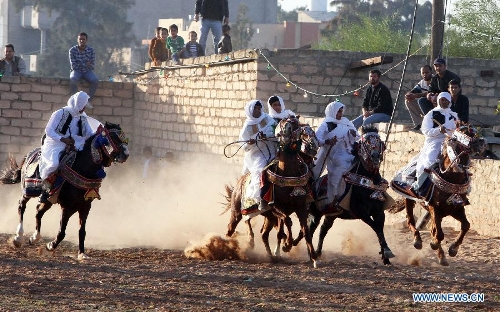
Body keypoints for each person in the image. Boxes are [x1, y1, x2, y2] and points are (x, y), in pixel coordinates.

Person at [39, 91, 94, 193]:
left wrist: (99, 134)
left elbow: (89, 133)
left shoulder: (83, 117)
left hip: (76, 145)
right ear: (78, 104)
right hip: (56, 144)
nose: (84, 108)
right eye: (83, 105)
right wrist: (62, 139)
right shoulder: (60, 113)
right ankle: (45, 187)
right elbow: (49, 130)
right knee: (54, 164)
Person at [313, 101, 360, 215]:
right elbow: (317, 139)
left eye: (341, 111)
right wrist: (327, 141)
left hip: (347, 150)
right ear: (332, 111)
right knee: (341, 167)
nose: (340, 113)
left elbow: (357, 137)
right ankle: (333, 198)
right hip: (334, 152)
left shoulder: (346, 122)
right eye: (338, 111)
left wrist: (353, 134)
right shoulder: (326, 124)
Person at [410, 92, 457, 197]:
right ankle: (420, 186)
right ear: (439, 101)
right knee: (430, 161)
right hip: (434, 142)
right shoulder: (431, 114)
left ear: (449, 101)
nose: (444, 102)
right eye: (442, 100)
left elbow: (456, 130)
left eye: (446, 100)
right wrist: (438, 130)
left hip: (449, 142)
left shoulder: (454, 115)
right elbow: (426, 130)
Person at [239, 100, 277, 211]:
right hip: (258, 155)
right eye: (255, 108)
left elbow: (277, 132)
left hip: (273, 150)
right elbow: (243, 146)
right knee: (259, 171)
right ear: (250, 110)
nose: (257, 110)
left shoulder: (268, 119)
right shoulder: (247, 127)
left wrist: (268, 136)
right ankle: (260, 199)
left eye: (259, 108)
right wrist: (249, 143)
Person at [69, 32, 99, 106]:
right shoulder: (72, 50)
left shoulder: (91, 50)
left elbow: (91, 65)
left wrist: (81, 63)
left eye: (83, 39)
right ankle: (76, 100)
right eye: (80, 39)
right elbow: (74, 65)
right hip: (76, 71)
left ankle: (88, 101)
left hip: (87, 72)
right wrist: (85, 63)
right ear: (77, 40)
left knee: (95, 80)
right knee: (72, 80)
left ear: (86, 40)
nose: (82, 41)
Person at [404, 65, 433, 130]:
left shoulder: (435, 80)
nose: (425, 75)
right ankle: (419, 124)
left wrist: (416, 95)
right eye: (423, 73)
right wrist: (408, 95)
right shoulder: (422, 82)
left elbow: (429, 92)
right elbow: (414, 91)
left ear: (431, 72)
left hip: (433, 107)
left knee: (421, 100)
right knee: (408, 101)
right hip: (424, 107)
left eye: (427, 72)